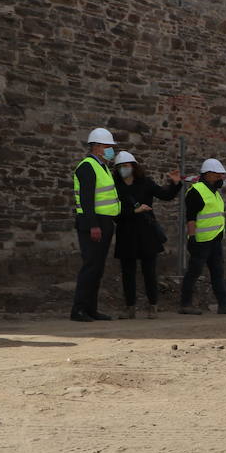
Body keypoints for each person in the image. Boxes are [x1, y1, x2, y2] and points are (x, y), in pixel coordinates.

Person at [112, 151, 181, 319]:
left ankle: (153, 306)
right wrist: (135, 210)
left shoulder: (146, 183)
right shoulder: (114, 186)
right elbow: (113, 212)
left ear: (134, 167)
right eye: (120, 167)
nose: (123, 169)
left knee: (149, 272)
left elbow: (166, 195)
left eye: (126, 166)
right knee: (127, 273)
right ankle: (130, 307)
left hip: (146, 233)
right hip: (126, 232)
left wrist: (175, 183)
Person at [179, 158, 226, 316]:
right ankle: (185, 304)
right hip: (201, 241)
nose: (221, 178)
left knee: (218, 272)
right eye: (218, 175)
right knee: (194, 272)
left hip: (215, 239)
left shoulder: (214, 192)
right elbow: (191, 217)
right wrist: (191, 238)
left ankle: (224, 305)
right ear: (208, 174)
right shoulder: (196, 191)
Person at [71, 127, 122, 322]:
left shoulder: (103, 167)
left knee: (98, 268)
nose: (111, 150)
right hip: (93, 222)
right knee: (91, 266)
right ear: (98, 146)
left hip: (104, 221)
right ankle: (79, 309)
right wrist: (93, 225)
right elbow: (86, 199)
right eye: (108, 146)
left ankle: (91, 309)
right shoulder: (87, 166)